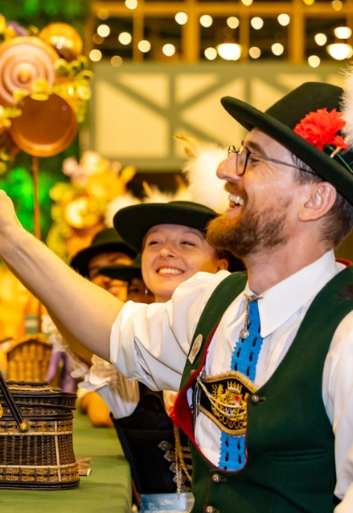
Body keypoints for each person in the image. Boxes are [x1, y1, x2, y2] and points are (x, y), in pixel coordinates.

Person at [0, 44, 353, 511]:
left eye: (253, 158)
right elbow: (112, 328)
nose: (225, 170)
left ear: (315, 200)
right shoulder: (216, 303)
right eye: (237, 153)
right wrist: (10, 239)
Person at [84, 202, 232, 510]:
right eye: (154, 243)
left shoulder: (239, 340)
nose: (165, 251)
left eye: (187, 243)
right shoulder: (122, 353)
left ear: (221, 266)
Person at [66, 228, 135, 428]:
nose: (106, 277)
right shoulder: (89, 335)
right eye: (97, 272)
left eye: (116, 265)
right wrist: (88, 398)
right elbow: (101, 411)